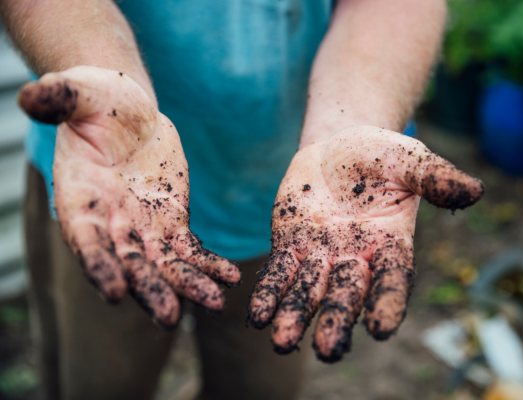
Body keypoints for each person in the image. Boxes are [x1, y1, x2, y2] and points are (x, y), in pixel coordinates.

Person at [0, 0, 483, 399]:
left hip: (297, 204)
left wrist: (353, 125)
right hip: (110, 181)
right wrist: (98, 69)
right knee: (97, 383)